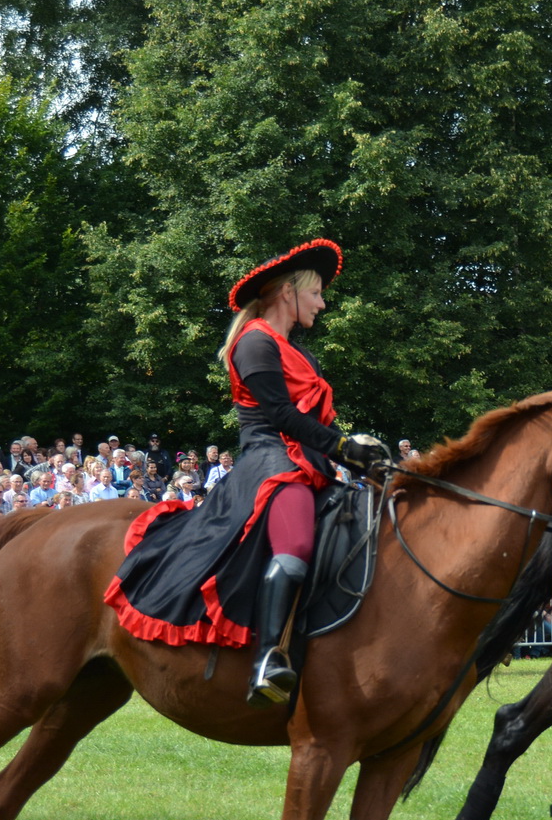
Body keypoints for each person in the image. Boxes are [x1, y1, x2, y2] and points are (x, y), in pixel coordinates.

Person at [106, 238, 386, 705]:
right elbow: (281, 416)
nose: (322, 302)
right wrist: (341, 447)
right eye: (316, 292)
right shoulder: (254, 342)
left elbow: (317, 423)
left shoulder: (301, 353)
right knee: (295, 548)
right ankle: (268, 659)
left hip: (310, 463)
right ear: (288, 292)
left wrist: (362, 455)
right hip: (272, 462)